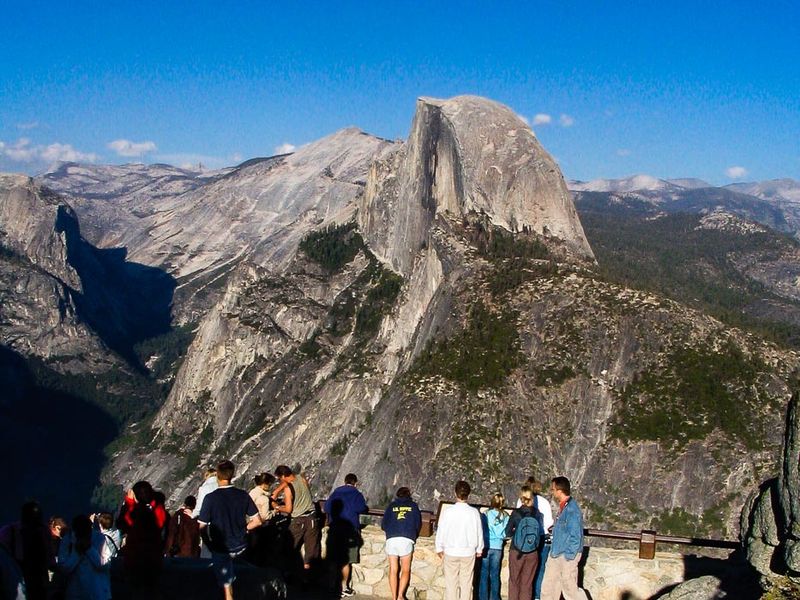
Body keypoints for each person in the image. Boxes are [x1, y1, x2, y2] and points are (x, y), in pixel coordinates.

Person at [198, 459, 262, 600]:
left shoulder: (210, 498)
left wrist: (209, 543)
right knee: (244, 582)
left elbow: (202, 527)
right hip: (241, 546)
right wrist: (243, 529)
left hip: (221, 548)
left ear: (217, 476)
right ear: (232, 475)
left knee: (227, 590)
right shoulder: (243, 495)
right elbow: (257, 521)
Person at [540, 477, 588, 600]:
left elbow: (576, 535)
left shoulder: (572, 510)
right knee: (548, 588)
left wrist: (569, 556)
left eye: (553, 489)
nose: (552, 492)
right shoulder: (564, 508)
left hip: (566, 555)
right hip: (556, 552)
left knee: (570, 589)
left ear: (559, 491)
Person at [434, 481, 483, 600]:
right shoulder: (474, 513)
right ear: (468, 494)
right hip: (468, 552)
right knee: (466, 585)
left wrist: (439, 547)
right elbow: (479, 532)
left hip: (451, 551)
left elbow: (441, 530)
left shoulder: (448, 512)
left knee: (451, 585)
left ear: (455, 493)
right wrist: (479, 548)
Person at [116, 480, 165, 599]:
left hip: (135, 558)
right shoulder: (158, 509)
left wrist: (129, 503)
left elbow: (122, 524)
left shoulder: (134, 512)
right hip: (154, 558)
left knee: (136, 592)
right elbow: (161, 524)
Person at [324, 473, 368, 597]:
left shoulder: (335, 494)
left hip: (334, 529)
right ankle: (344, 587)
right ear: (355, 482)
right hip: (350, 531)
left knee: (333, 559)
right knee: (346, 561)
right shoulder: (356, 494)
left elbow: (326, 508)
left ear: (344, 481)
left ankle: (332, 586)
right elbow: (361, 508)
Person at [273, 465, 320, 580]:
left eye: (279, 479)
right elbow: (292, 483)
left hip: (299, 520)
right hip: (313, 518)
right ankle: (308, 578)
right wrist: (278, 490)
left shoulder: (288, 489)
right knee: (311, 550)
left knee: (290, 547)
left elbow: (288, 509)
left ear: (283, 476)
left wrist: (277, 506)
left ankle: (289, 574)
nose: (280, 481)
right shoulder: (301, 478)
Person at [0, 501, 50, 600]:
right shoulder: (10, 531)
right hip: (17, 579)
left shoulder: (43, 531)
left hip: (37, 581)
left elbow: (49, 557)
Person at [57, 514, 112, 600]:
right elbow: (63, 567)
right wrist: (77, 553)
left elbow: (105, 564)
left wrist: (89, 549)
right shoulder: (68, 540)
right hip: (76, 592)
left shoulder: (99, 538)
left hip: (97, 592)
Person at [382, 487, 421, 600]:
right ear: (409, 495)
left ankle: (394, 597)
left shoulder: (391, 506)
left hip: (392, 539)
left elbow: (384, 524)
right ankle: (400, 596)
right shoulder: (413, 506)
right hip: (406, 539)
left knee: (393, 569)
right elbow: (417, 524)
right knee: (405, 569)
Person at [505, 487, 541, 600]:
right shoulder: (537, 513)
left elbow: (508, 532)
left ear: (521, 498)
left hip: (517, 550)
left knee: (514, 582)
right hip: (532, 551)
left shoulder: (516, 513)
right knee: (527, 584)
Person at [479, 492, 508, 600]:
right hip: (498, 547)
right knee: (495, 574)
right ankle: (494, 597)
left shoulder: (486, 514)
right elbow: (506, 533)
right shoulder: (505, 516)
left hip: (487, 545)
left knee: (484, 574)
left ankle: (483, 597)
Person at [530, 480, 554, 600]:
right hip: (543, 537)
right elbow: (549, 524)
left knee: (528, 568)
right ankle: (537, 596)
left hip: (529, 539)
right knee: (540, 569)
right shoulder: (544, 502)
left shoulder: (522, 501)